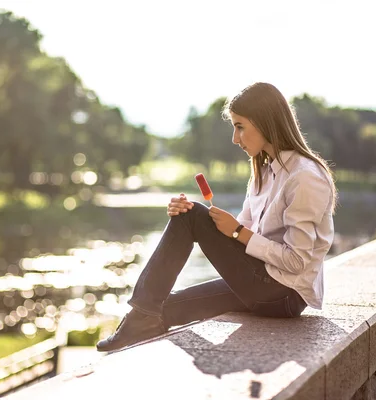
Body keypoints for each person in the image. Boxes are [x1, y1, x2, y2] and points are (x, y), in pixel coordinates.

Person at [96, 82, 337, 352]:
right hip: (261, 281)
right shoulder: (264, 171)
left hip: (283, 293)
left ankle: (139, 316)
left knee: (192, 217)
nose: (235, 139)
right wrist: (214, 224)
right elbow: (245, 229)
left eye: (240, 126)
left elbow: (296, 261)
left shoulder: (304, 176)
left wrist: (230, 231)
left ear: (266, 122)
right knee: (162, 307)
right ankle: (142, 318)